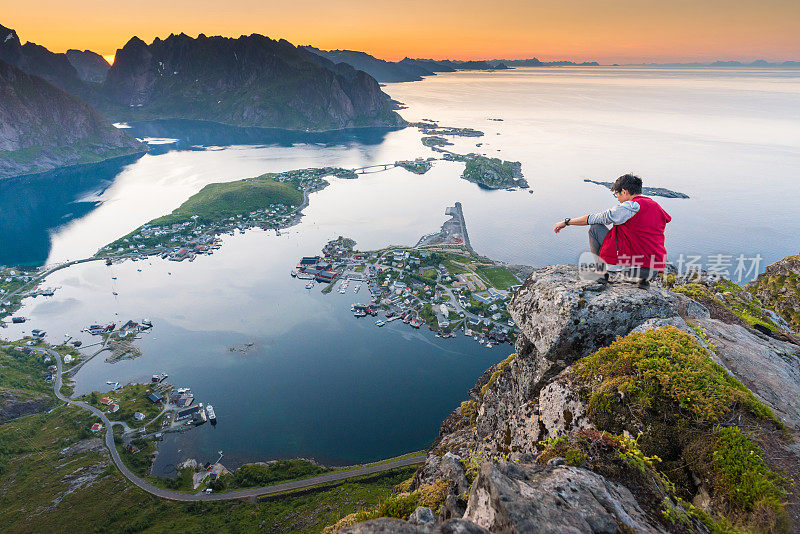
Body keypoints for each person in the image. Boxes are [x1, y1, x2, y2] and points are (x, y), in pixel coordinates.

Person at [553, 174, 671, 288]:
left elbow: (592, 219)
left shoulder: (629, 207)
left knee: (595, 228)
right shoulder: (655, 206)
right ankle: (643, 282)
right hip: (653, 270)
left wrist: (566, 222)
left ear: (624, 192)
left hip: (632, 269)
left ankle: (601, 274)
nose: (618, 199)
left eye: (617, 195)